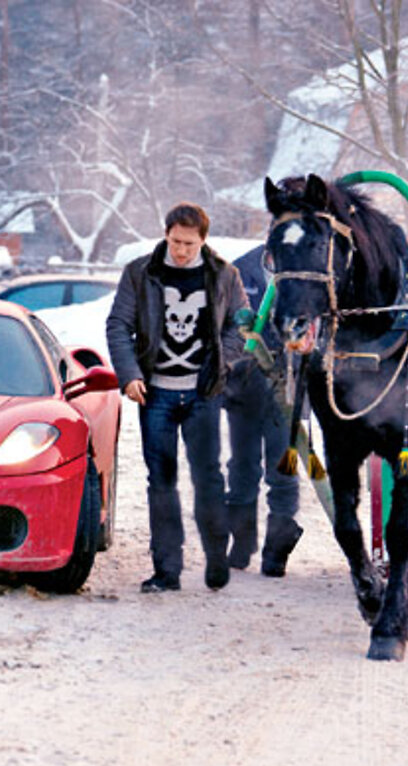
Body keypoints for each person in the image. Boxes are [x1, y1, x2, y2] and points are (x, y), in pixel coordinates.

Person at [106, 203, 250, 593]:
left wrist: (221, 366)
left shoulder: (224, 275)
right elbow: (118, 324)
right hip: (156, 395)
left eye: (189, 243)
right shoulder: (140, 272)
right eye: (175, 241)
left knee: (207, 477)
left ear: (203, 240)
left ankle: (217, 555)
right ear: (165, 234)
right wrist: (130, 375)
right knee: (161, 482)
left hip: (203, 393)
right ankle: (166, 570)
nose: (181, 250)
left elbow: (242, 326)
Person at [223, 245, 303, 577]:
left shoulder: (305, 271)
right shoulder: (239, 270)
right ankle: (242, 543)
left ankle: (276, 551)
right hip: (244, 382)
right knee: (241, 466)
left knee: (282, 467)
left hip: (287, 383)